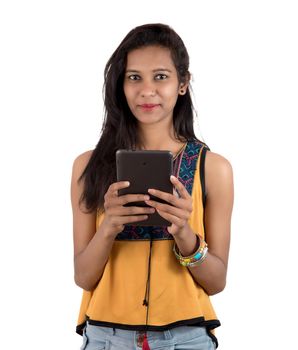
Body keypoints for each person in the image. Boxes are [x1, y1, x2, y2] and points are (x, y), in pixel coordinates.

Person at [71, 23, 234, 350]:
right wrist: (108, 229)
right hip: (106, 337)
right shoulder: (88, 167)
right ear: (121, 84)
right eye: (134, 77)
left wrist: (184, 232)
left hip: (187, 337)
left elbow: (215, 282)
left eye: (161, 76)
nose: (147, 90)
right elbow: (84, 277)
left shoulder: (214, 169)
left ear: (183, 83)